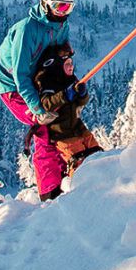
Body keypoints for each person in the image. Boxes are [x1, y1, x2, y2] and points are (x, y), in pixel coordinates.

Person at [0, 0, 76, 200]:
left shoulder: (61, 26)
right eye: (60, 7)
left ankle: (67, 176)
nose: (64, 13)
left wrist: (70, 83)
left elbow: (61, 59)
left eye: (68, 7)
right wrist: (37, 108)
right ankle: (50, 192)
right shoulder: (27, 30)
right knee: (45, 128)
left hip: (39, 77)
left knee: (63, 118)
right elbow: (20, 75)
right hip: (12, 85)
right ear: (45, 4)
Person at [31, 42, 102, 182]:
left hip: (78, 127)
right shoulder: (48, 82)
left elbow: (79, 104)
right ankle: (80, 190)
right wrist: (64, 95)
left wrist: (82, 95)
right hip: (62, 133)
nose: (71, 67)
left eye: (71, 63)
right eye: (67, 64)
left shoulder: (71, 80)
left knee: (97, 155)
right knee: (79, 164)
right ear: (57, 66)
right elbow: (46, 104)